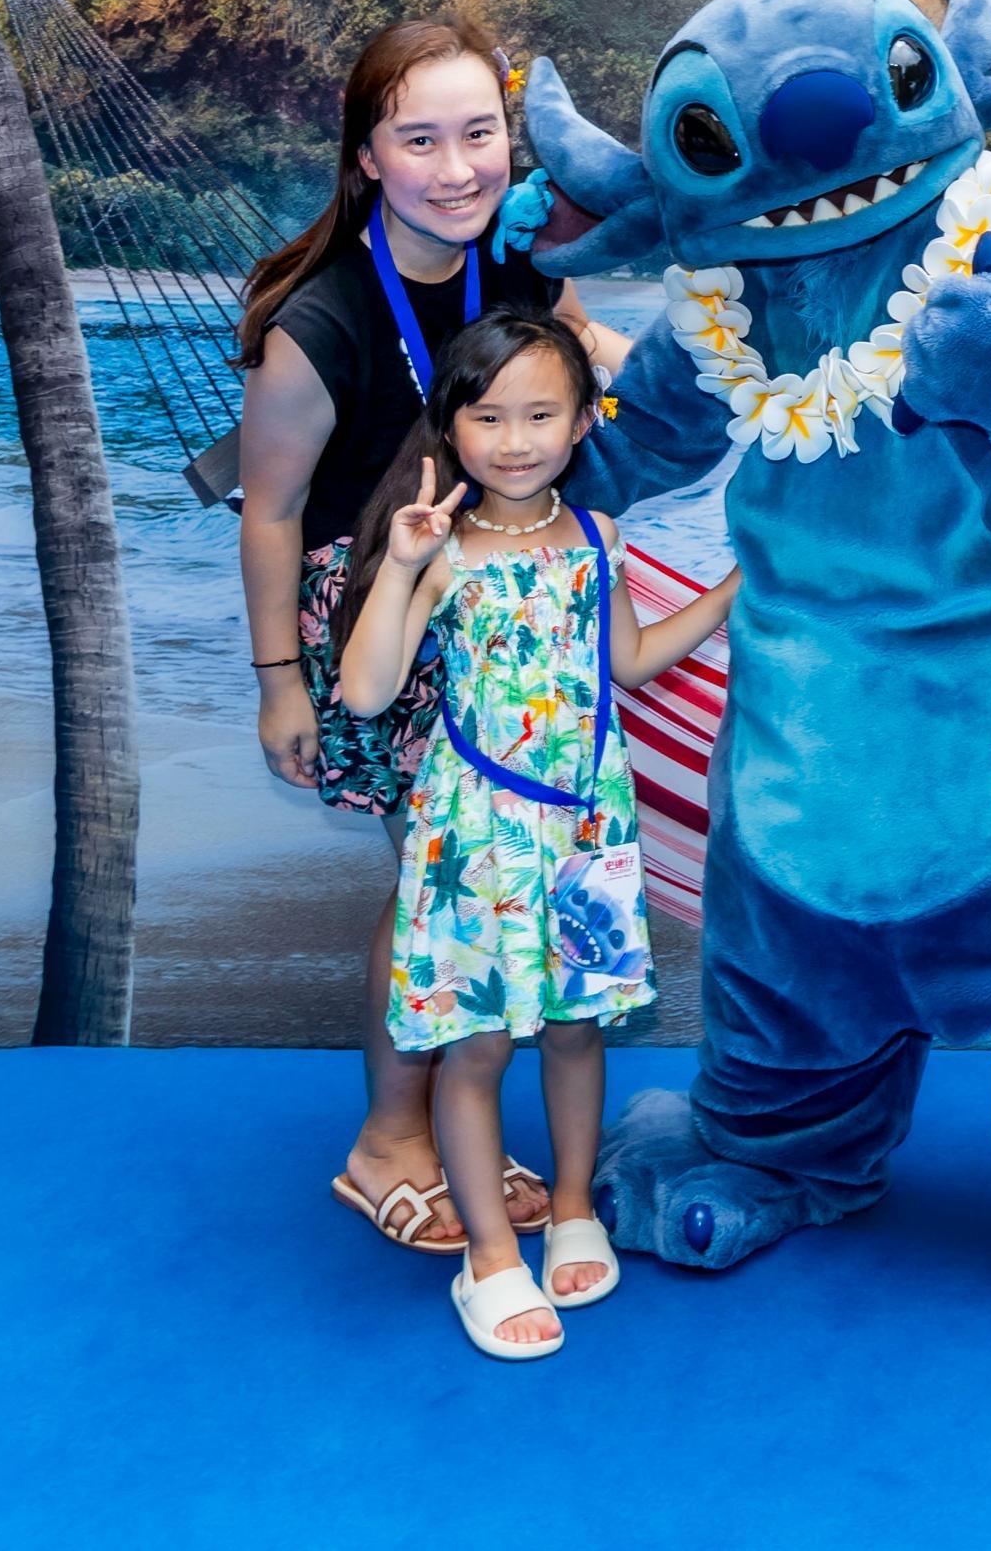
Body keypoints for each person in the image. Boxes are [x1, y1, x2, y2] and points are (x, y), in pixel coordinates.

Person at [234, 17, 628, 1259]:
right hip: (385, 609)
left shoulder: (518, 264)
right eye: (419, 140)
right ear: (366, 156)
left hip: (510, 605)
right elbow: (269, 513)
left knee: (475, 880)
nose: (457, 169)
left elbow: (603, 370)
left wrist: (741, 375)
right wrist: (279, 683)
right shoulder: (317, 322)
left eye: (479, 134)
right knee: (436, 884)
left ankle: (438, 1129)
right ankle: (389, 1142)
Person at [336, 312, 739, 1358]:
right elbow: (367, 690)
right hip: (477, 832)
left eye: (540, 415)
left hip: (587, 824)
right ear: (450, 425)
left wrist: (736, 589)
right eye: (487, 417)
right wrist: (400, 566)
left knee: (573, 1028)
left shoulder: (600, 536)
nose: (514, 440)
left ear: (583, 421)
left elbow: (631, 662)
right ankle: (488, 1258)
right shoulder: (441, 549)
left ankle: (568, 1207)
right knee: (475, 1046)